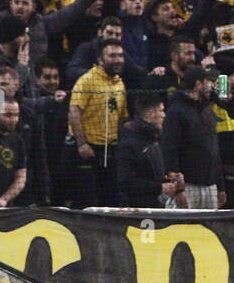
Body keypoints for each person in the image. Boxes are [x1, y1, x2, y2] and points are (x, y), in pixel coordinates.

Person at [66, 39, 127, 207]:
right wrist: (82, 144)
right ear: (100, 59)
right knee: (87, 201)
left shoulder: (120, 83)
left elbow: (121, 117)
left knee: (111, 200)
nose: (118, 59)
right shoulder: (87, 80)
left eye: (120, 55)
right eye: (112, 55)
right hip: (88, 150)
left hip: (109, 149)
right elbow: (73, 112)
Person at [160, 65, 224, 209]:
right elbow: (169, 153)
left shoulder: (207, 111)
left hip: (210, 187)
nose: (212, 86)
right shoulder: (176, 112)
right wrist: (178, 189)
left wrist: (220, 186)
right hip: (187, 187)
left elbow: (214, 151)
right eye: (208, 82)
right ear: (198, 84)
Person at [115, 89, 185, 208]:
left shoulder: (154, 139)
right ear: (151, 113)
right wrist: (160, 188)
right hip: (135, 212)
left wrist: (170, 178)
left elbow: (152, 173)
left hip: (156, 207)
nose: (164, 115)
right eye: (161, 111)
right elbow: (126, 182)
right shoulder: (129, 143)